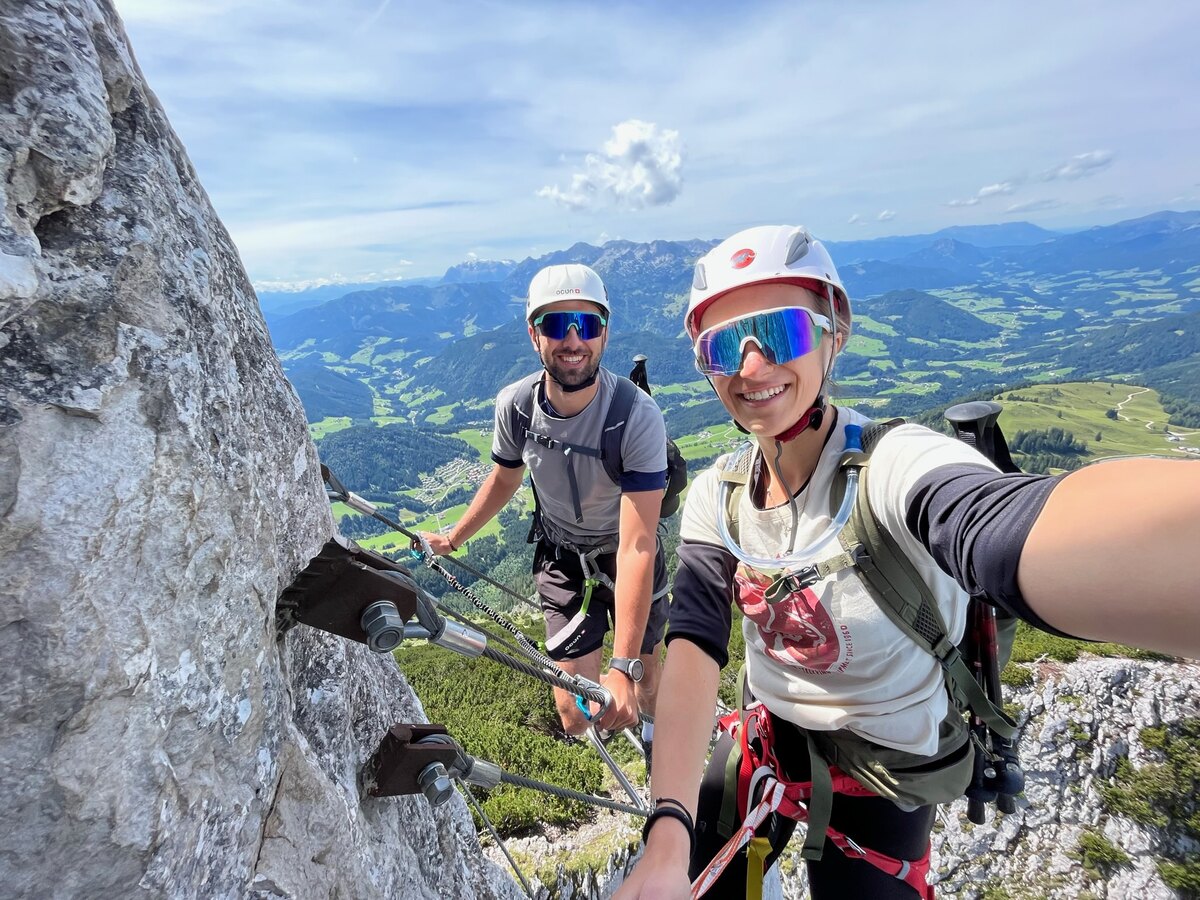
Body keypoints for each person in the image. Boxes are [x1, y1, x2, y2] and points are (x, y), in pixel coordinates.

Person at [615, 224, 1200, 899]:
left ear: (834, 333)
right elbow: (695, 645)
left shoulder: (895, 467)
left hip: (885, 782)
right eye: (723, 347)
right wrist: (666, 836)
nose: (749, 367)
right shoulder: (719, 499)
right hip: (766, 744)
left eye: (780, 333)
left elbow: (1003, 531)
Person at [418, 263, 670, 744]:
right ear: (534, 335)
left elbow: (638, 544)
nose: (573, 340)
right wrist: (452, 539)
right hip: (561, 557)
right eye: (556, 325)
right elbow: (505, 476)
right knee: (573, 709)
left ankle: (656, 743)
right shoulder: (516, 407)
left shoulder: (636, 416)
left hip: (627, 554)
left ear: (605, 333)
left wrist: (621, 665)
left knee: (644, 681)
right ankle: (614, 751)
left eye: (587, 324)